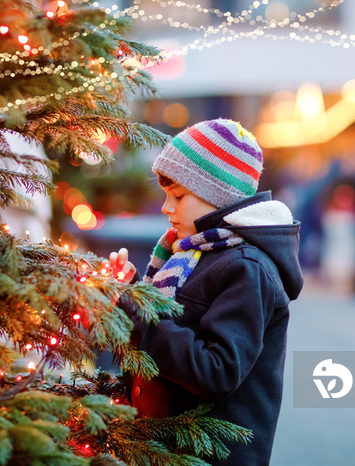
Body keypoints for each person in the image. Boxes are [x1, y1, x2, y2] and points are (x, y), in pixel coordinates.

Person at [109, 119, 303, 465]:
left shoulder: (246, 267)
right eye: (166, 195)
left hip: (209, 456)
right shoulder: (189, 252)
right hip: (164, 447)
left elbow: (216, 371)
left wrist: (134, 309)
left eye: (179, 196)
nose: (167, 207)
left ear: (218, 196)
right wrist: (134, 291)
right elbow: (177, 323)